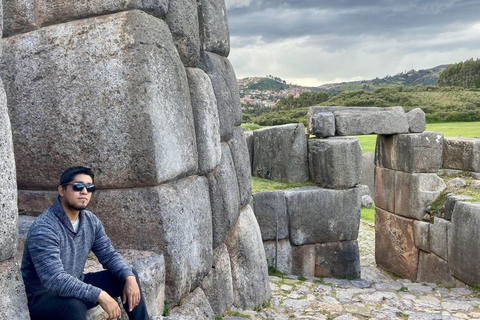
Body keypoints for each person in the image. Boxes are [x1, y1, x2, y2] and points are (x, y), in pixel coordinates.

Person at [21, 166, 149, 320]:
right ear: (61, 190)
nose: (84, 191)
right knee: (74, 305)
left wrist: (129, 276)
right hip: (43, 298)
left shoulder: (90, 221)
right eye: (78, 186)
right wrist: (100, 294)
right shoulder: (44, 227)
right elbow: (55, 279)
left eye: (89, 188)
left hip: (75, 284)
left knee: (126, 276)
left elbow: (108, 255)